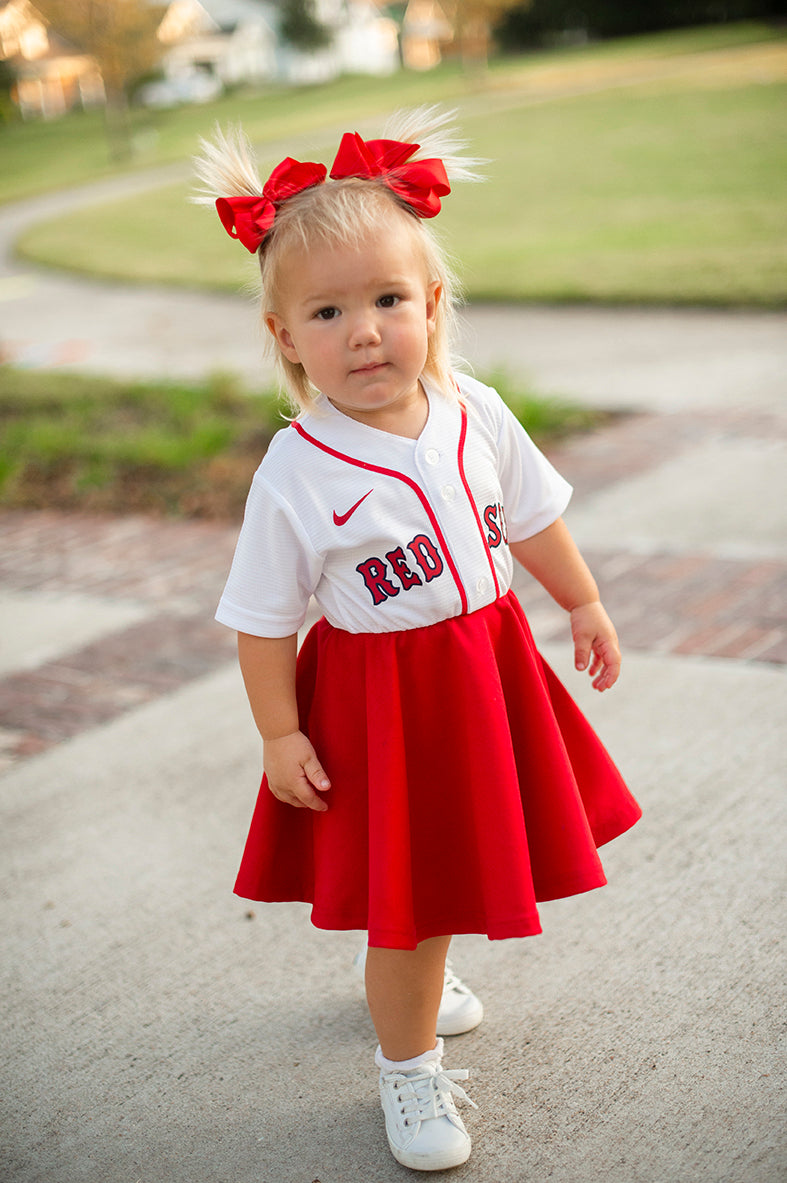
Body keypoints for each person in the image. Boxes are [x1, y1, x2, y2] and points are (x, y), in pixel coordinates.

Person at [195, 108, 641, 1173]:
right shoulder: (299, 468)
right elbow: (261, 619)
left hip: (485, 669)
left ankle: (429, 987)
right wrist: (276, 733)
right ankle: (407, 1067)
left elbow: (528, 514)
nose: (364, 331)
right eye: (328, 310)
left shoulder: (469, 409)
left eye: (389, 300)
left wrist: (578, 600)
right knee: (407, 907)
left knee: (462, 861)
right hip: (380, 699)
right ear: (284, 336)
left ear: (433, 307)